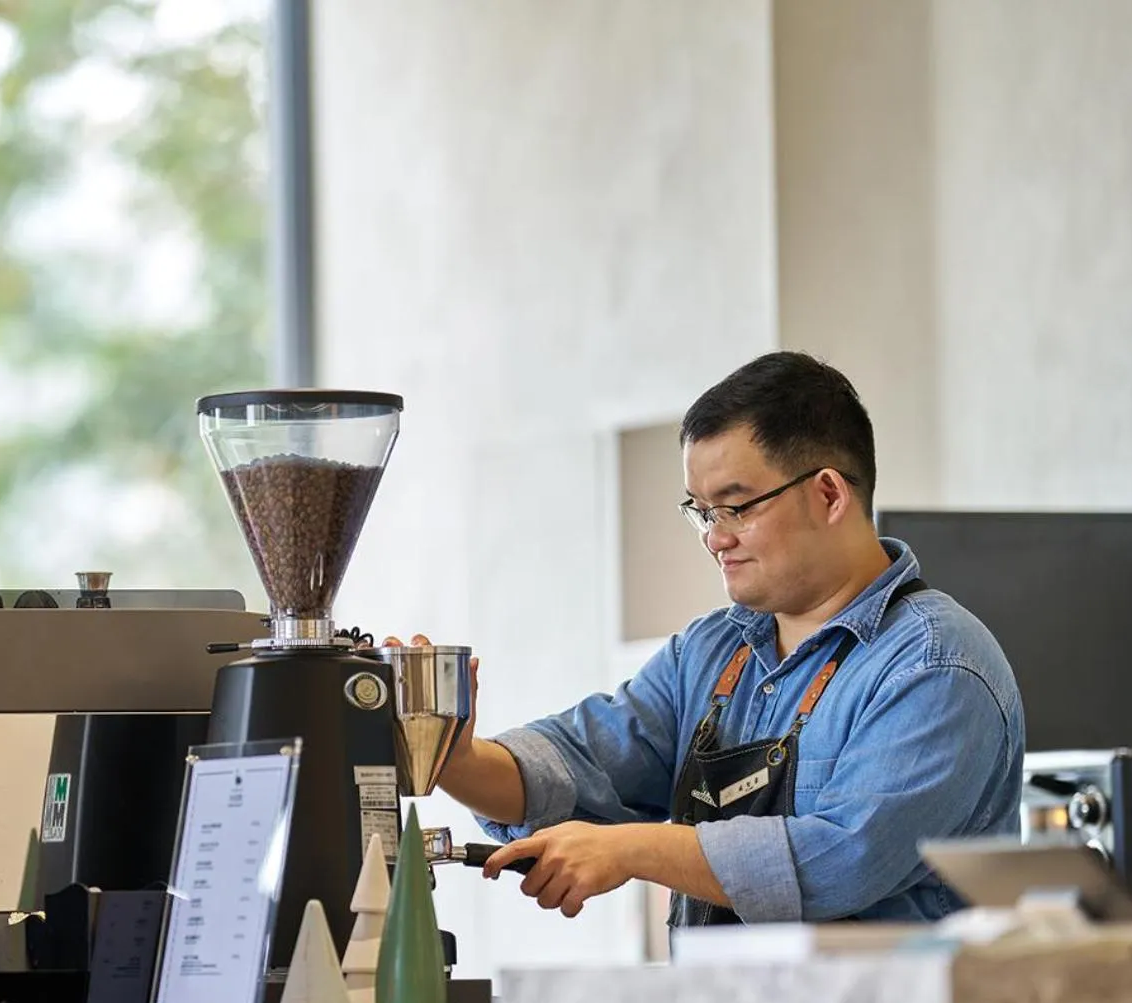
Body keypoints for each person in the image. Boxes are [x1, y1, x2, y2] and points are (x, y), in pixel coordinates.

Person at [405, 351, 1024, 925]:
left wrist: (634, 849)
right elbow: (577, 766)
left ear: (829, 494)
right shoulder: (708, 655)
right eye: (701, 511)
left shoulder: (937, 666)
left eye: (737, 506)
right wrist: (454, 757)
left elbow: (840, 861)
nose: (714, 537)